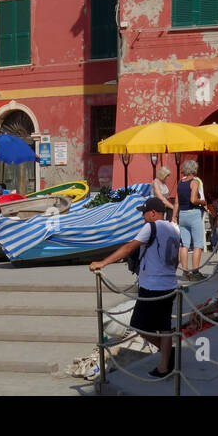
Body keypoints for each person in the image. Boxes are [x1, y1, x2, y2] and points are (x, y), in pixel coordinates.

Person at [90, 196, 181, 377]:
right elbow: (176, 259)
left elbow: (130, 247)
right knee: (164, 326)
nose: (142, 217)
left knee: (139, 326)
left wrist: (103, 262)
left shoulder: (151, 227)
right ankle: (166, 364)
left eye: (144, 213)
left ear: (153, 213)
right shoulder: (174, 229)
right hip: (169, 284)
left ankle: (167, 355)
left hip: (153, 287)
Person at [175, 159, 206, 282]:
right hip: (193, 213)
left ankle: (185, 271)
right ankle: (195, 272)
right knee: (198, 244)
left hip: (182, 214)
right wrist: (202, 202)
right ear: (194, 169)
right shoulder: (194, 182)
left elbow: (176, 201)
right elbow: (193, 200)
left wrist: (174, 216)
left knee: (184, 244)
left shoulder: (180, 182)